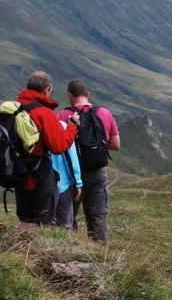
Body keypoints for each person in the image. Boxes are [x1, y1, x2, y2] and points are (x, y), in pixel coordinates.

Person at [14, 71, 80, 230]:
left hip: (18, 171)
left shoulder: (15, 108)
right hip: (39, 174)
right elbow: (58, 146)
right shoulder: (43, 112)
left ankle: (21, 250)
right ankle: (37, 252)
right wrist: (72, 127)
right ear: (47, 89)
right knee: (44, 219)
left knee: (25, 218)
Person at [59, 78, 120, 242]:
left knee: (68, 215)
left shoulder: (65, 115)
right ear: (88, 94)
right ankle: (100, 254)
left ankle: (69, 249)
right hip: (97, 171)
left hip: (72, 173)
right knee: (98, 215)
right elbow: (115, 144)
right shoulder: (104, 113)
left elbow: (60, 145)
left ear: (69, 95)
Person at [50, 121, 84, 229]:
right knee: (65, 225)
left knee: (43, 223)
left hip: (41, 185)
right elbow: (71, 158)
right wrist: (78, 183)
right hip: (62, 186)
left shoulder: (30, 123)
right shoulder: (62, 126)